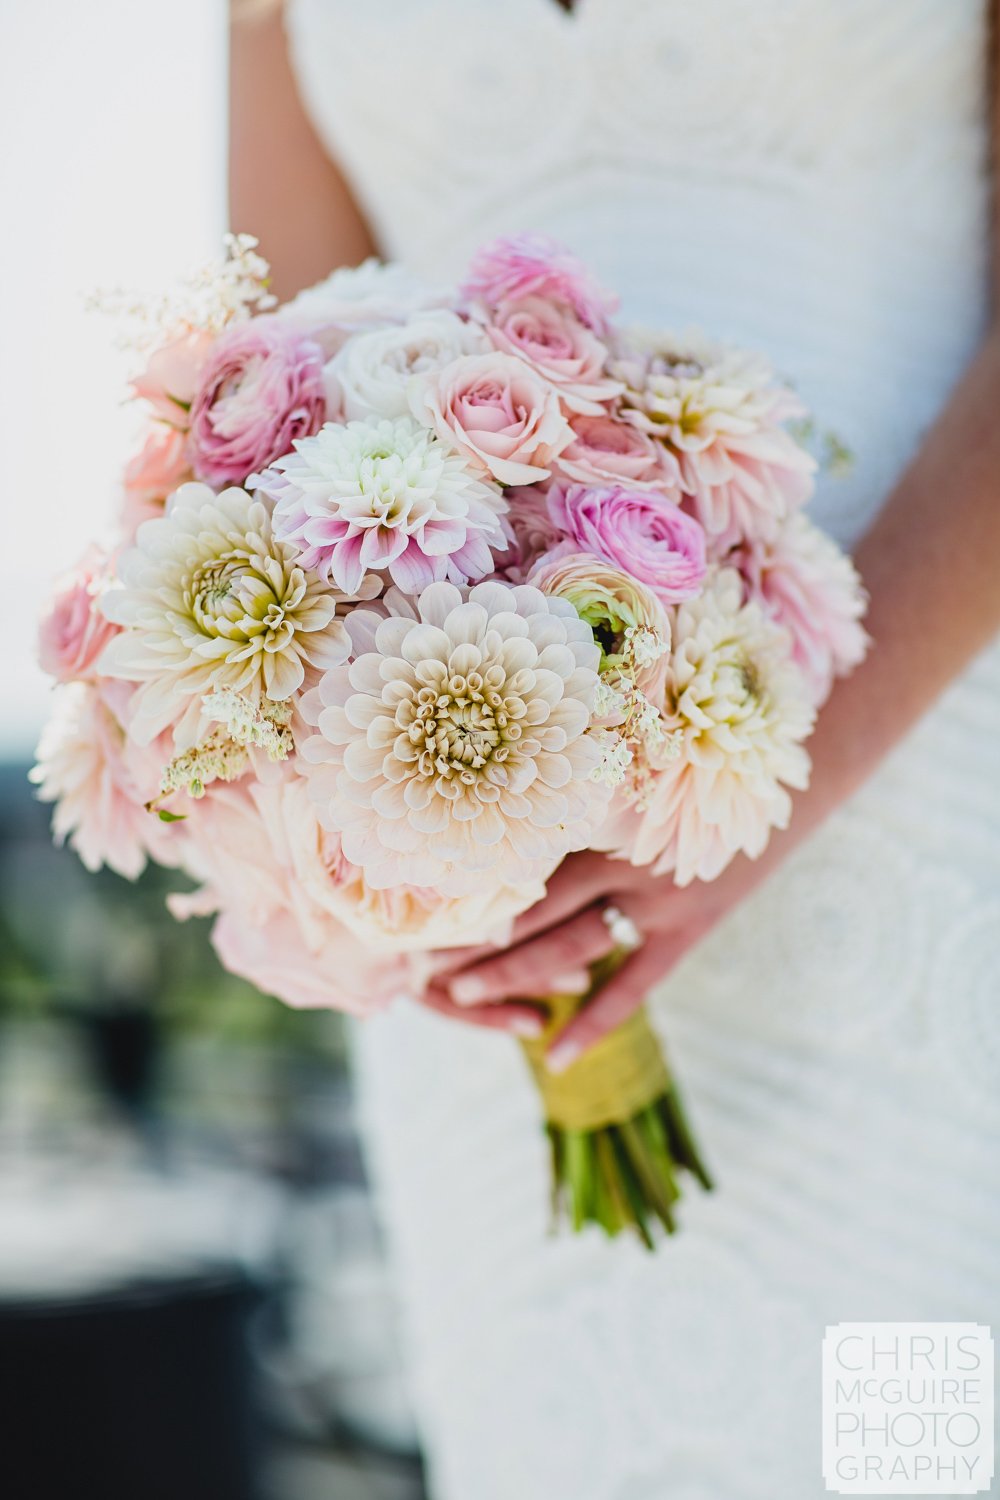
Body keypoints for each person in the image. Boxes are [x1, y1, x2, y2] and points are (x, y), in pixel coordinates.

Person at [231, 3, 1000, 1495]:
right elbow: (277, 393)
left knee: (913, 1450)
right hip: (500, 914)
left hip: (921, 843)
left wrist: (769, 788)